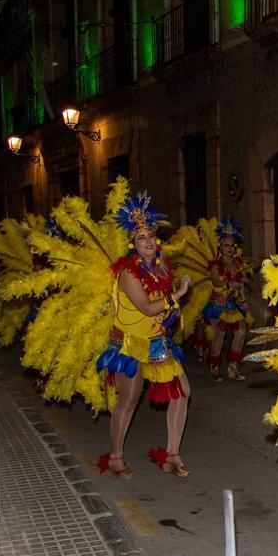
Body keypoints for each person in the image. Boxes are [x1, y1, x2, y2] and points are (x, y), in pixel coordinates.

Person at [95, 192, 194, 479]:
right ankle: (115, 457)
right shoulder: (128, 272)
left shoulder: (159, 266)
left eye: (151, 235)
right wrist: (177, 295)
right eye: (141, 238)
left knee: (182, 393)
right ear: (132, 243)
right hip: (129, 343)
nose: (148, 241)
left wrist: (172, 311)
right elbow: (148, 307)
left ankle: (172, 455)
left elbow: (162, 311)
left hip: (156, 341)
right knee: (129, 399)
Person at [203, 217, 249, 381]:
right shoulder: (216, 265)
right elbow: (215, 281)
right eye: (226, 245)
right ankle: (214, 367)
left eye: (231, 245)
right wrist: (230, 282)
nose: (229, 248)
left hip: (234, 304)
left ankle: (233, 366)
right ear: (220, 247)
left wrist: (244, 301)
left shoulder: (237, 264)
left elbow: (241, 284)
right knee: (219, 336)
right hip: (218, 304)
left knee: (241, 332)